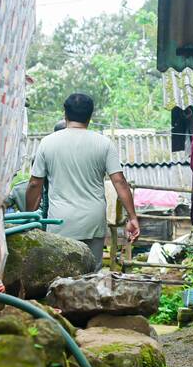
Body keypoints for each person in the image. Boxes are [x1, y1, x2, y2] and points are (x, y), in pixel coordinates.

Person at [25, 94, 139, 262]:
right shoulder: (104, 144)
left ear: (65, 114)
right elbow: (119, 182)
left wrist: (29, 216)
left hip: (60, 222)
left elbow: (35, 184)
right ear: (90, 116)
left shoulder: (47, 143)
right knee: (91, 276)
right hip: (92, 221)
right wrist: (133, 217)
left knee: (60, 275)